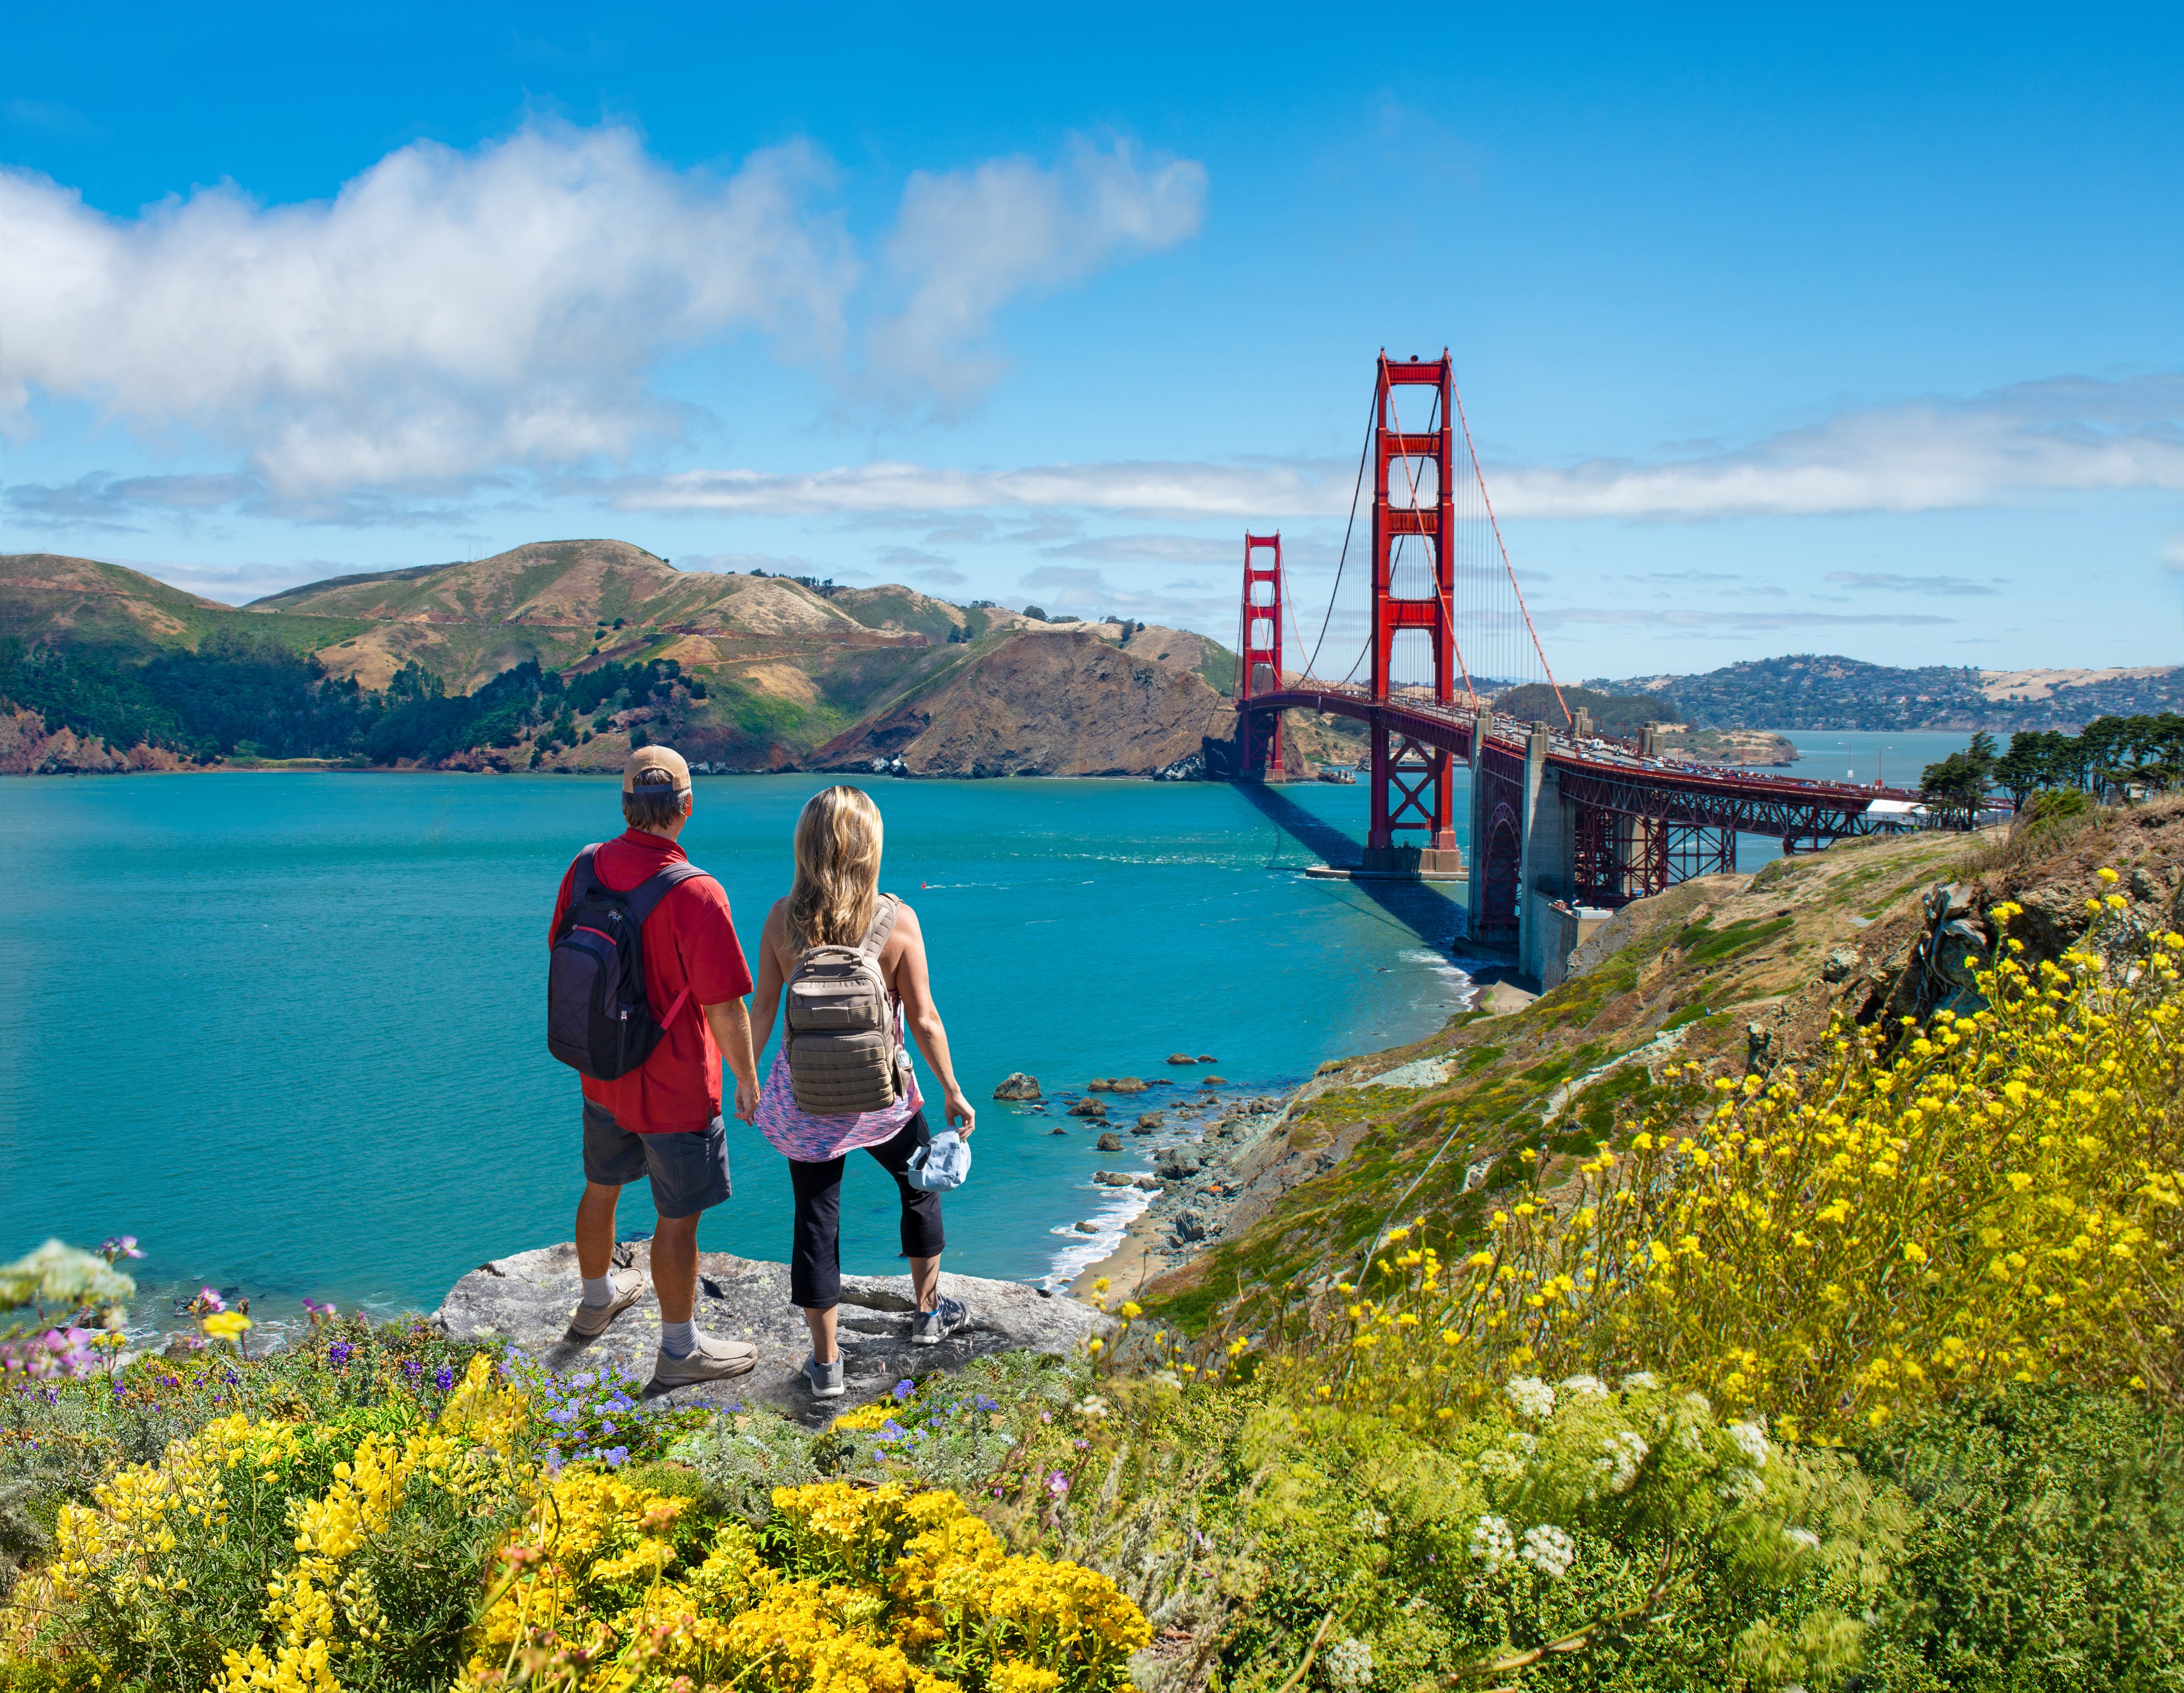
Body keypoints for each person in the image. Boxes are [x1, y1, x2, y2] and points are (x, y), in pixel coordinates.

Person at [747, 785, 976, 1399]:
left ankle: (826, 1367)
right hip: (885, 1098)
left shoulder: (779, 918)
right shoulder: (897, 919)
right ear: (868, 846)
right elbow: (924, 1019)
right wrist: (953, 1090)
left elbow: (763, 1008)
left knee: (816, 1223)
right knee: (919, 1191)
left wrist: (743, 1081)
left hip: (805, 1102)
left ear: (807, 844)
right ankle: (928, 1315)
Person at [548, 746, 762, 1388]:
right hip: (674, 1087)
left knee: (602, 1186)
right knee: (677, 1219)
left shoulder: (585, 866)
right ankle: (678, 1352)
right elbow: (724, 1005)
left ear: (623, 806)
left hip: (602, 1071)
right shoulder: (698, 892)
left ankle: (595, 1302)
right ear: (686, 808)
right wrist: (748, 1082)